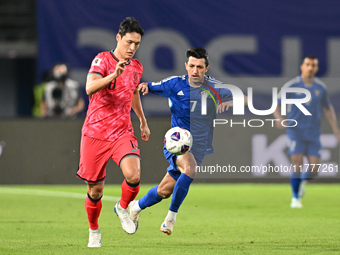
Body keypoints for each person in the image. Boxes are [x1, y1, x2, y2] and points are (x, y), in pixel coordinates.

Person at [130, 47, 244, 235]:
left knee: (164, 191)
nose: (195, 71)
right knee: (190, 170)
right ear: (186, 65)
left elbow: (244, 98)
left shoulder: (214, 87)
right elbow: (147, 86)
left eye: (200, 67)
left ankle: (135, 208)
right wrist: (144, 87)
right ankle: (170, 219)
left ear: (206, 68)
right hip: (177, 142)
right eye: (191, 66)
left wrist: (232, 102)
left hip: (199, 148)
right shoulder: (175, 84)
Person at [76, 17, 150, 247]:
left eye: (137, 44)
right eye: (129, 42)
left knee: (134, 176)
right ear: (118, 38)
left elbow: (133, 93)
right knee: (96, 190)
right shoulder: (102, 60)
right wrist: (113, 75)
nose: (132, 48)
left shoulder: (136, 67)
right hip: (95, 133)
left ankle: (122, 207)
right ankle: (94, 230)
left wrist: (142, 121)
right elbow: (89, 87)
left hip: (122, 131)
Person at [273, 55, 340, 209]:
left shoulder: (320, 88)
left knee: (315, 169)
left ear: (316, 68)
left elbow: (328, 108)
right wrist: (279, 118)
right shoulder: (292, 85)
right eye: (308, 64)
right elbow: (276, 104)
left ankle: (303, 181)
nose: (310, 67)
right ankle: (295, 198)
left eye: (313, 65)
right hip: (295, 131)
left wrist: (335, 129)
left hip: (314, 132)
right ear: (302, 67)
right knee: (296, 163)